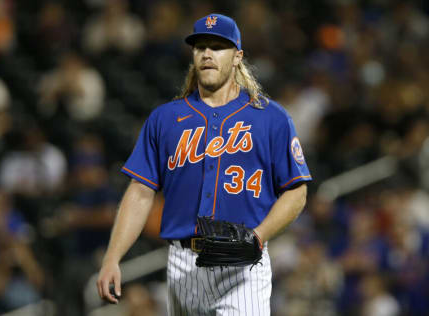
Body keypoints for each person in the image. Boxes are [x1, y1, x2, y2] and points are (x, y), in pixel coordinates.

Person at [97, 13, 312, 315]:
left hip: (243, 263)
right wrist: (113, 258)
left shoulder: (270, 118)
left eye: (218, 46)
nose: (208, 53)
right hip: (182, 264)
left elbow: (296, 191)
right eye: (200, 47)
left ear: (237, 56)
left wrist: (259, 236)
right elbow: (140, 192)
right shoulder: (165, 119)